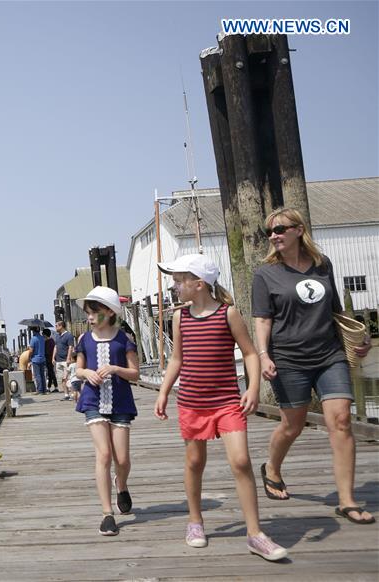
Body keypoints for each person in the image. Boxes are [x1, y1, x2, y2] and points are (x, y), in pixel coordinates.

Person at [154, 254, 288, 561]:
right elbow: (177, 359)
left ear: (198, 284)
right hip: (191, 401)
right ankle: (195, 521)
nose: (175, 286)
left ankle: (255, 533)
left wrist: (253, 388)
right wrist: (163, 392)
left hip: (227, 401)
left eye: (178, 280)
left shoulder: (228, 314)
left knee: (241, 461)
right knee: (194, 461)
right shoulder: (180, 317)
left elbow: (250, 353)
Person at [253, 208, 374, 525]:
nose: (274, 236)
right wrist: (264, 355)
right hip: (289, 357)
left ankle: (346, 501)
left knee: (343, 421)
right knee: (293, 424)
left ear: (298, 230)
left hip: (328, 354)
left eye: (280, 229)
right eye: (270, 232)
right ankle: (272, 468)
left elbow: (335, 310)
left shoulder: (323, 265)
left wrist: (359, 338)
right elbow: (263, 319)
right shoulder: (265, 274)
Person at [74, 286, 139, 536]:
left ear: (110, 313)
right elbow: (78, 369)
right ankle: (107, 513)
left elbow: (135, 373)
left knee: (122, 459)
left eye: (94, 312)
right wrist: (86, 372)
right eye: (88, 313)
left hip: (120, 401)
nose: (89, 317)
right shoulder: (84, 340)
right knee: (104, 455)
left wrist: (114, 368)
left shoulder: (123, 339)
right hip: (93, 400)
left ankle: (121, 484)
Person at [53, 321, 75, 394]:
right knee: (62, 378)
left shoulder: (68, 335)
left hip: (66, 360)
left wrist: (68, 358)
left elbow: (70, 347)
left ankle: (72, 394)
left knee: (68, 378)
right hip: (58, 360)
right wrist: (53, 358)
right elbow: (55, 347)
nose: (55, 327)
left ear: (61, 326)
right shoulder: (57, 336)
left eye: (56, 326)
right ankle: (66, 394)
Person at [27, 326, 47, 394]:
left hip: (35, 359)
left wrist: (29, 357)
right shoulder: (42, 338)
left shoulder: (33, 339)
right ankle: (44, 390)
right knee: (42, 375)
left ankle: (40, 390)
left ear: (34, 331)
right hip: (42, 358)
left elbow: (31, 350)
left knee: (37, 375)